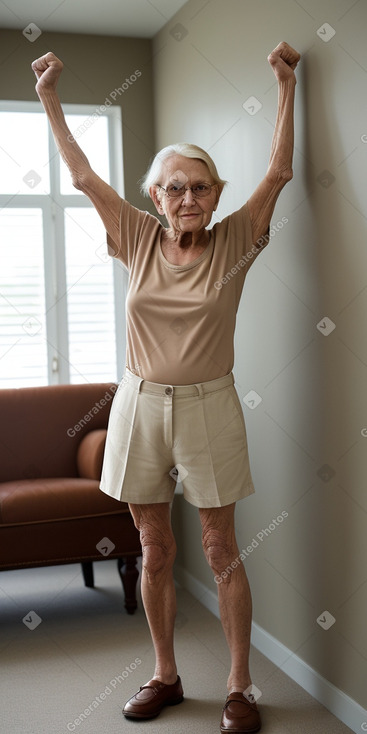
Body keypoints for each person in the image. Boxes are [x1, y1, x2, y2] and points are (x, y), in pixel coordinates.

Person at [32, 40, 300, 734]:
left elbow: (278, 171)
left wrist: (284, 82)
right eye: (173, 187)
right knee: (153, 549)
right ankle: (165, 675)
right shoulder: (138, 236)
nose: (186, 197)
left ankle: (240, 688)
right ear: (155, 196)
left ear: (216, 196)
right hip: (140, 404)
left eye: (200, 186)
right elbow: (84, 175)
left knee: (217, 549)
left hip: (209, 405)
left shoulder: (236, 239)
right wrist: (50, 97)